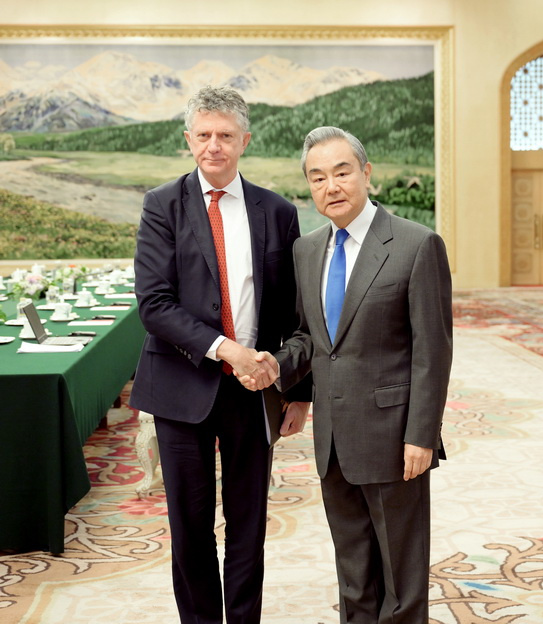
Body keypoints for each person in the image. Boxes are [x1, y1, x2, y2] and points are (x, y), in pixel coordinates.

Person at [239, 126, 453, 623]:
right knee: (354, 572)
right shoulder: (306, 250)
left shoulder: (416, 244)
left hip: (394, 437)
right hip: (333, 439)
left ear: (366, 173)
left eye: (341, 172)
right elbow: (309, 337)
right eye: (318, 178)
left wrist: (421, 435)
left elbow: (433, 351)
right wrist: (275, 367)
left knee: (401, 577)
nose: (330, 186)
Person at [130, 85, 311, 624]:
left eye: (226, 135)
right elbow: (154, 304)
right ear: (188, 139)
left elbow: (294, 311)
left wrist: (298, 393)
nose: (214, 145)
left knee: (248, 527)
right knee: (189, 528)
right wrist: (226, 349)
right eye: (204, 135)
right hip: (180, 387)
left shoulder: (277, 211)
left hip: (254, 391)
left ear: (244, 141)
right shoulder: (162, 205)